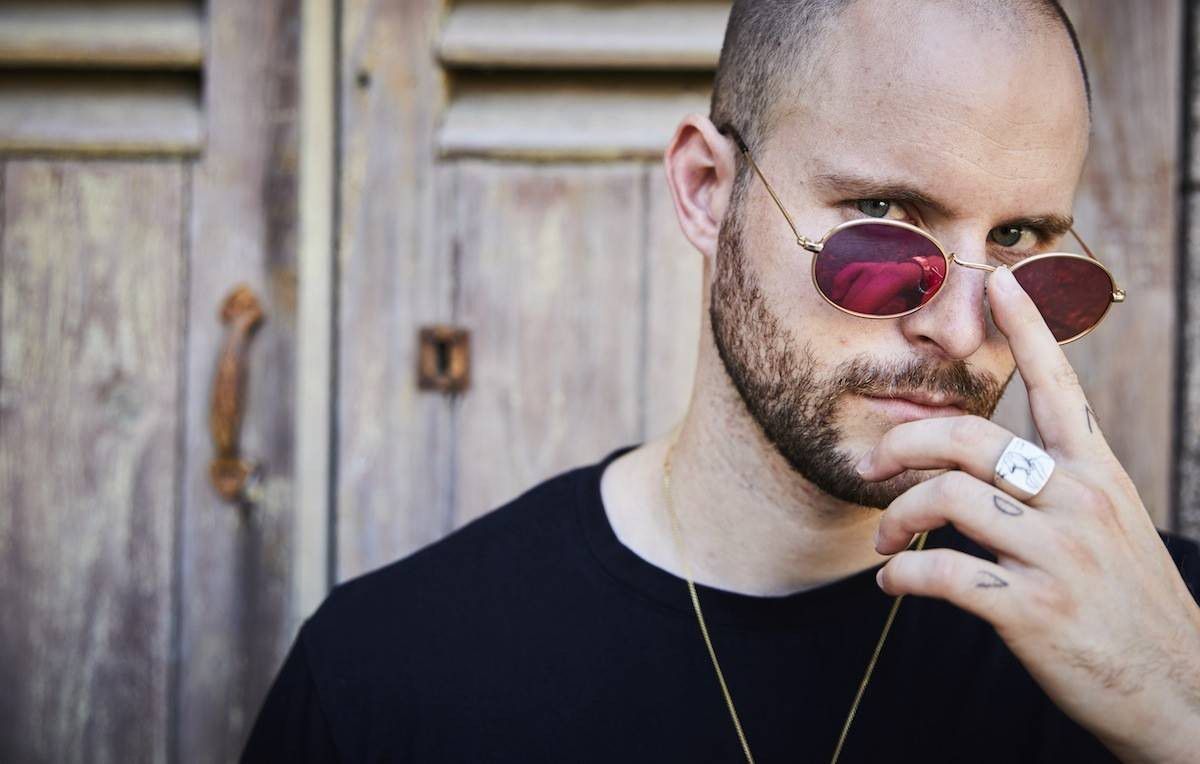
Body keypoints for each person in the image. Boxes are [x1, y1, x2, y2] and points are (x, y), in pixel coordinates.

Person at [243, 1, 1200, 761]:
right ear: (707, 189)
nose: (957, 329)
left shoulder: (1165, 630)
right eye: (882, 215)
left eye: (1020, 238)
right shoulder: (385, 676)